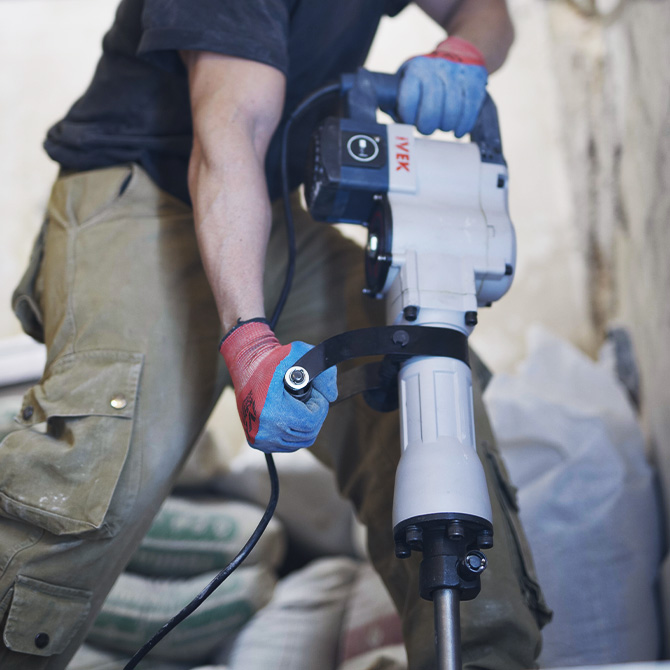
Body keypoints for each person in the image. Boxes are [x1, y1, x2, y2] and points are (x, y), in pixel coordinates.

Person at [0, 0, 551, 668]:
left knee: (427, 385)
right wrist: (250, 340)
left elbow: (482, 10)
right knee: (95, 476)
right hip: (143, 192)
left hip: (266, 207)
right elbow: (232, 130)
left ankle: (484, 656)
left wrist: (464, 53)